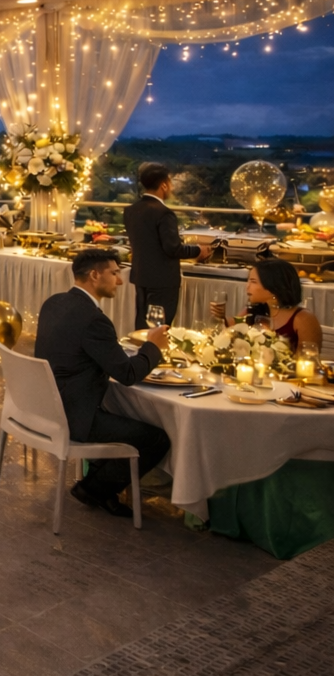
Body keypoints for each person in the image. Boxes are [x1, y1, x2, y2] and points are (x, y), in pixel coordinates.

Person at [34, 248, 171, 519]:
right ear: (95, 275)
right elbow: (128, 375)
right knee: (156, 439)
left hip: (43, 406)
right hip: (71, 415)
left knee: (119, 415)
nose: (120, 281)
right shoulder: (94, 320)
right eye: (115, 273)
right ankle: (95, 489)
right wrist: (153, 347)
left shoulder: (54, 302)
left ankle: (97, 485)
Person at [123, 162, 210, 330]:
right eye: (170, 183)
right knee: (159, 328)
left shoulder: (131, 210)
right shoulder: (163, 213)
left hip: (141, 276)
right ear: (164, 185)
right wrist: (199, 250)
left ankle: (140, 355)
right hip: (162, 280)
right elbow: (172, 248)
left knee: (142, 327)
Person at [210, 258, 321, 354]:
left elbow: (308, 360)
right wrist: (220, 317)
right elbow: (225, 337)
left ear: (272, 287)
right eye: (248, 281)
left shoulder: (303, 319)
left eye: (253, 282)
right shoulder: (252, 312)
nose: (247, 287)